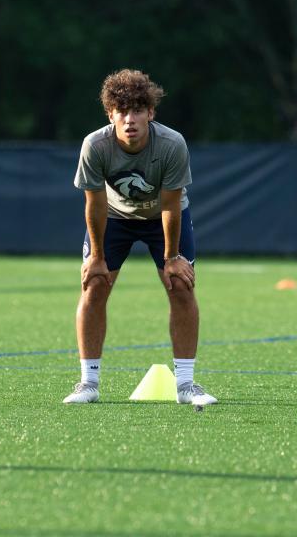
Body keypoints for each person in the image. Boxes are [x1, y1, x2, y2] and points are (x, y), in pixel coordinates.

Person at [64, 68, 217, 407]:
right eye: (121, 111)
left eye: (137, 110)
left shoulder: (172, 144)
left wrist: (173, 257)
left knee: (180, 286)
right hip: (114, 217)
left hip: (161, 218)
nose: (129, 119)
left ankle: (186, 385)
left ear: (151, 113)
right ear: (110, 114)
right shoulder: (95, 145)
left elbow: (171, 204)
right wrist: (98, 257)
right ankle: (88, 383)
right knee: (94, 285)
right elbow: (95, 204)